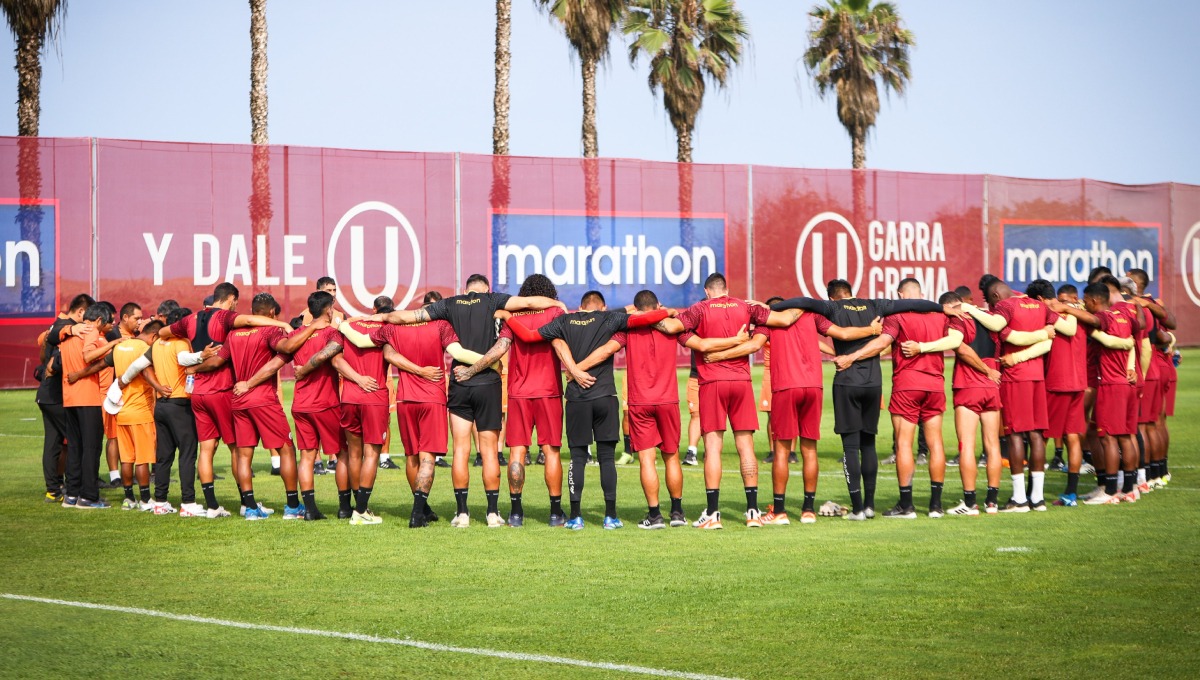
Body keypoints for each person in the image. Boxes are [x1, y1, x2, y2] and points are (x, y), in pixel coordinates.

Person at [362, 274, 565, 529]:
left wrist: (380, 317)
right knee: (489, 450)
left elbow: (408, 317)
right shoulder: (494, 300)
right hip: (489, 382)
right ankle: (492, 514)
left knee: (460, 450)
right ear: (486, 289)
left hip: (459, 382)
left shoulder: (449, 303)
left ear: (465, 290)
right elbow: (529, 301)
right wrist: (556, 305)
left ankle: (462, 514)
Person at [770, 279, 949, 518]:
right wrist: (940, 307)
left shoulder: (832, 308)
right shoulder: (874, 304)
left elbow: (804, 302)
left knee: (851, 448)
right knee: (869, 445)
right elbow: (912, 302)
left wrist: (773, 308)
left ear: (832, 297)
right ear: (851, 293)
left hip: (847, 380)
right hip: (873, 383)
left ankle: (857, 508)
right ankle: (870, 506)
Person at [500, 290, 669, 530]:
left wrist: (508, 317)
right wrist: (669, 311)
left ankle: (575, 517)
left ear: (580, 307)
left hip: (577, 399)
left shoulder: (563, 321)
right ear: (602, 306)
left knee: (577, 458)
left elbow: (527, 336)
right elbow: (643, 318)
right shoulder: (608, 318)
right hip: (605, 397)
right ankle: (610, 516)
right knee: (607, 459)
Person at [714, 297, 879, 524]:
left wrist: (719, 355)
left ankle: (780, 511)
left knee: (782, 450)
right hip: (813, 386)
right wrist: (870, 329)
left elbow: (753, 346)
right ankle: (808, 510)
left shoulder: (770, 322)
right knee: (809, 448)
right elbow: (842, 334)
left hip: (786, 386)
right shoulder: (811, 316)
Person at [569, 290, 725, 529]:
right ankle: (677, 512)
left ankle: (655, 516)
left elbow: (606, 351)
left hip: (640, 401)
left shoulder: (629, 329)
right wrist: (737, 343)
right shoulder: (672, 327)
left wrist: (576, 369)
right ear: (657, 305)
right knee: (671, 456)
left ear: (636, 309)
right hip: (668, 400)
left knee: (647, 460)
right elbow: (701, 344)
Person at [654, 273, 798, 529]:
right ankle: (752, 512)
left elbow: (671, 327)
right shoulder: (746, 307)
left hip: (712, 384)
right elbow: (786, 318)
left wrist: (656, 314)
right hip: (742, 383)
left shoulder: (699, 308)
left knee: (713, 448)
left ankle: (713, 513)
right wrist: (766, 308)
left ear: (708, 291)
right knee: (746, 447)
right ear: (727, 290)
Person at [338, 295, 487, 527]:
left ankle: (422, 509)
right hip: (432, 398)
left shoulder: (396, 328)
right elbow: (458, 354)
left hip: (405, 399)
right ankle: (417, 513)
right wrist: (490, 361)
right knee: (427, 457)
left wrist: (342, 324)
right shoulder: (441, 325)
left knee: (411, 456)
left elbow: (362, 341)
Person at [161, 282, 293, 518]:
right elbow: (251, 321)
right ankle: (247, 504)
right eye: (235, 302)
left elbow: (163, 333)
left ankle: (212, 506)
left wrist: (194, 360)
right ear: (230, 298)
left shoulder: (190, 319)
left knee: (206, 448)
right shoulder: (224, 318)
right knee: (237, 449)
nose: (236, 306)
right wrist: (281, 323)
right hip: (221, 389)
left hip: (198, 391)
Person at [835, 279, 961, 519]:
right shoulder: (940, 316)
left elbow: (883, 342)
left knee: (904, 443)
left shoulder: (898, 315)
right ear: (921, 293)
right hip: (935, 384)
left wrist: (853, 356)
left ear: (901, 295)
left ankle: (906, 505)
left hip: (908, 385)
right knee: (936, 444)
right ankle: (936, 506)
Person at [191, 292, 314, 520]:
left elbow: (217, 361)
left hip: (238, 399)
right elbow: (286, 348)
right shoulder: (271, 330)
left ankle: (250, 508)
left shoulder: (234, 334)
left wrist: (193, 368)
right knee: (286, 448)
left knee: (243, 455)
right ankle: (292, 506)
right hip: (263, 398)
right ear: (270, 313)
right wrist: (308, 331)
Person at [964, 275, 1073, 511]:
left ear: (994, 296)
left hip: (1015, 377)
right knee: (1036, 435)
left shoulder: (1006, 307)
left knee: (1014, 434)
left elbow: (999, 328)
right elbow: (1068, 328)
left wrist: (967, 309)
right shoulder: (1040, 306)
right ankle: (1038, 498)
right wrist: (1045, 333)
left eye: (988, 301)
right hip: (1037, 377)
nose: (991, 307)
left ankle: (1020, 498)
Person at [492, 274, 566, 527]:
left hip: (519, 392)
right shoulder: (555, 313)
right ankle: (556, 513)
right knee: (551, 451)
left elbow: (501, 348)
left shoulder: (513, 318)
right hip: (549, 391)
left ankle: (515, 514)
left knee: (517, 451)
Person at [285, 291, 348, 520]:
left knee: (307, 456)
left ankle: (310, 510)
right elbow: (332, 359)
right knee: (342, 454)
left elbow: (286, 348)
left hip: (301, 404)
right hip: (326, 403)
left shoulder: (299, 334)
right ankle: (344, 507)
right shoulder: (332, 333)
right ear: (329, 309)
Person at [60, 303, 123, 509]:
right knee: (91, 448)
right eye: (107, 322)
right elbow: (88, 356)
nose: (108, 326)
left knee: (75, 448)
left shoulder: (68, 335)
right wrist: (113, 345)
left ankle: (72, 494)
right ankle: (88, 496)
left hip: (69, 397)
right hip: (87, 397)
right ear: (98, 321)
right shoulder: (90, 331)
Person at [109, 320, 172, 512]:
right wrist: (159, 387)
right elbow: (145, 370)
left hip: (122, 410)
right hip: (140, 411)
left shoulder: (120, 347)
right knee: (142, 458)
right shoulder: (145, 348)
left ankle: (129, 499)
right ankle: (145, 500)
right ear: (154, 336)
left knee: (127, 458)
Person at [151, 307, 204, 516]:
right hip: (179, 404)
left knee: (164, 456)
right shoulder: (180, 343)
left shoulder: (157, 344)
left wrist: (156, 386)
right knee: (188, 453)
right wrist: (203, 355)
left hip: (161, 404)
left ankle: (160, 501)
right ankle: (188, 502)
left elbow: (142, 365)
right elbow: (183, 360)